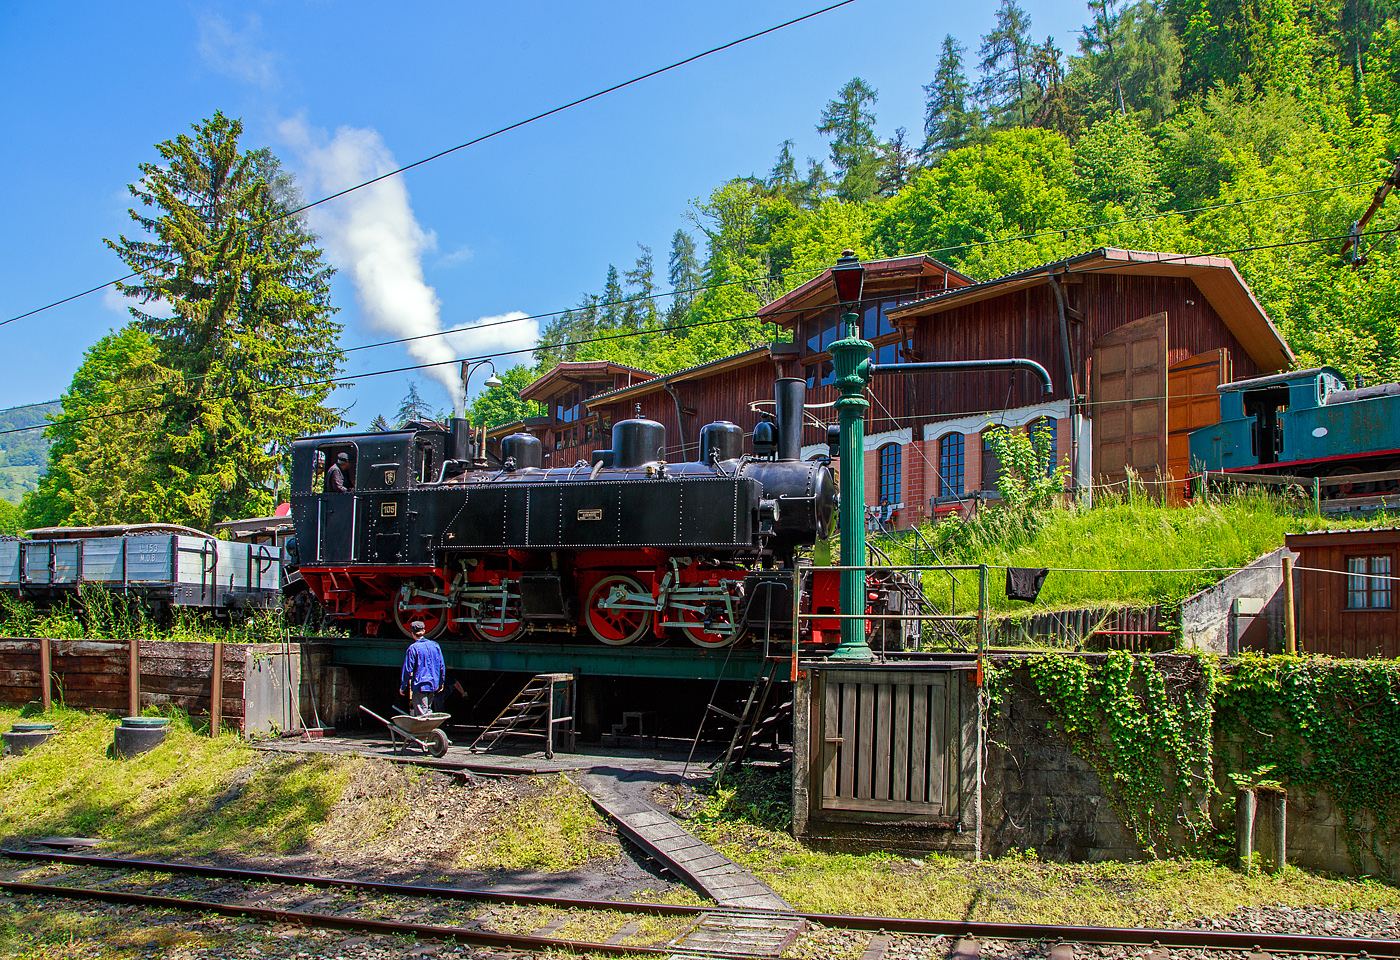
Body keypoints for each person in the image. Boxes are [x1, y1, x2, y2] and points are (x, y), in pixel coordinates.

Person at [399, 620, 445, 717]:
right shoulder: (435, 646)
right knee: (427, 710)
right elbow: (441, 666)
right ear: (424, 631)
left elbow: (407, 669)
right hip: (433, 684)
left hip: (420, 685)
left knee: (422, 714)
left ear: (412, 633)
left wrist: (403, 686)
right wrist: (441, 682)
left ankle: (424, 731)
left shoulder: (413, 648)